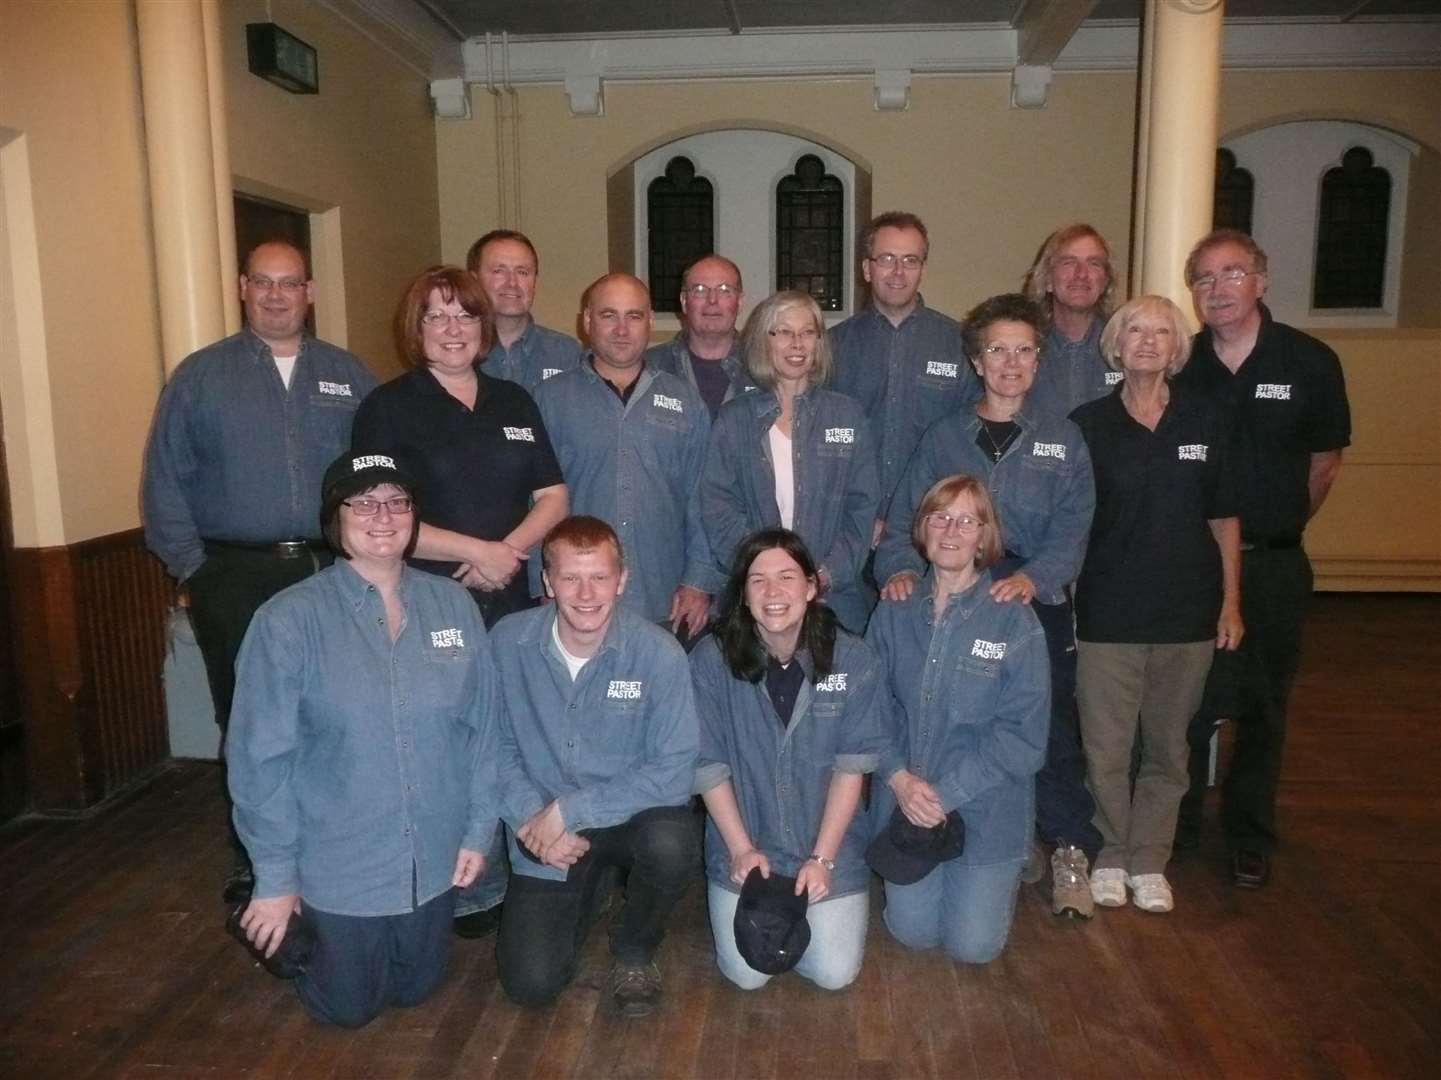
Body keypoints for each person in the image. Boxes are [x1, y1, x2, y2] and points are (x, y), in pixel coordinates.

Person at [227, 451, 498, 1028]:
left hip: (434, 856)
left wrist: (478, 831)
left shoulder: (453, 604)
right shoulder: (287, 620)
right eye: (365, 502)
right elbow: (259, 762)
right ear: (335, 518)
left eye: (398, 501)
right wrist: (275, 881)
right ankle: (292, 932)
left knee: (418, 989)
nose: (384, 515)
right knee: (346, 1010)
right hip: (340, 866)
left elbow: (485, 730)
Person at [142, 239, 377, 902]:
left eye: (290, 283)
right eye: (263, 283)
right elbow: (165, 481)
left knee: (338, 712)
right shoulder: (201, 376)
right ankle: (260, 857)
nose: (277, 295)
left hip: (332, 570)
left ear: (310, 292)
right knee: (252, 723)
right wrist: (197, 572)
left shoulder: (348, 374)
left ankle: (336, 842)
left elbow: (377, 471)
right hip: (234, 575)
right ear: (243, 288)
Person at [351, 265, 568, 940]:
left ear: (483, 327)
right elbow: (377, 513)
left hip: (512, 601)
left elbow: (553, 496)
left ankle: (522, 878)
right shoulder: (389, 407)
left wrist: (507, 552)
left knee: (515, 738)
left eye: (464, 316)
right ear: (416, 330)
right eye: (436, 317)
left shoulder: (513, 402)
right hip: (428, 602)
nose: (452, 330)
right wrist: (473, 552)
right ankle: (461, 886)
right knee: (443, 743)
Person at [874, 293, 1100, 919]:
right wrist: (896, 571)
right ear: (976, 360)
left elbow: (1074, 528)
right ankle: (956, 833)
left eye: (1023, 350)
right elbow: (902, 522)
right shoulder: (944, 434)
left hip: (1030, 593)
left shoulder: (1063, 439)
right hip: (948, 586)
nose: (1010, 362)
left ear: (1038, 360)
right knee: (940, 717)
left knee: (1047, 733)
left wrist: (1033, 578)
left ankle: (1067, 850)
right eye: (997, 349)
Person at [1175, 229, 1351, 889]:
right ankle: (1180, 825)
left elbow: (1324, 464)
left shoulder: (1308, 361)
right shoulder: (1183, 365)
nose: (1216, 290)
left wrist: (1274, 531)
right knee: (1187, 700)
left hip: (1274, 565)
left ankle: (1248, 834)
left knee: (1263, 705)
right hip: (1194, 567)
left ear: (1260, 280)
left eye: (1230, 274)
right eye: (1203, 278)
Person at [1069, 296, 1243, 913]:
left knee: (1170, 749)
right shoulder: (1085, 424)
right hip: (1108, 614)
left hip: (1188, 612)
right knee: (1107, 750)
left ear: (1177, 347)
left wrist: (1231, 603)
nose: (1147, 340)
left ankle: (1150, 861)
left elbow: (1224, 518)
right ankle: (1111, 855)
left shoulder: (1206, 420)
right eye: (1134, 330)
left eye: (1161, 331)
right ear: (1115, 345)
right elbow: (1074, 523)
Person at [491, 516, 700, 1017]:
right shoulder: (506, 643)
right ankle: (594, 888)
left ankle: (635, 948)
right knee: (530, 984)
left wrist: (570, 809)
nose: (586, 594)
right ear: (547, 581)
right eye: (570, 577)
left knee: (673, 843)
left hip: (630, 820)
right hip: (543, 827)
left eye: (600, 577)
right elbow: (491, 749)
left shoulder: (658, 654)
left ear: (622, 580)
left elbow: (674, 768)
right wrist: (533, 819)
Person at [691, 529, 887, 990]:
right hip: (746, 845)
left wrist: (823, 858)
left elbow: (851, 766)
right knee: (747, 975)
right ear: (741, 595)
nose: (773, 593)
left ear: (811, 586)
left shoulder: (851, 658)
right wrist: (740, 850)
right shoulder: (710, 660)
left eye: (786, 577)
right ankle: (778, 913)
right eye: (757, 580)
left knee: (833, 973)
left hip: (825, 847)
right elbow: (707, 765)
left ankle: (806, 915)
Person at [866, 474, 1049, 962]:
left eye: (967, 520)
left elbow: (1024, 738)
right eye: (940, 517)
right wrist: (900, 780)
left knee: (974, 948)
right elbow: (865, 709)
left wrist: (947, 795)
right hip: (908, 802)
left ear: (985, 536)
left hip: (984, 807)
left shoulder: (1013, 618)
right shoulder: (893, 610)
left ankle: (1003, 867)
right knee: (913, 933)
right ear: (922, 530)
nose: (951, 530)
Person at [536, 273, 717, 644]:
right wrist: (542, 585)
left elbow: (702, 497)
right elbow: (531, 499)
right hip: (577, 598)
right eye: (608, 315)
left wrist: (698, 580)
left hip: (663, 597)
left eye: (634, 316)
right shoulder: (548, 401)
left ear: (650, 322)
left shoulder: (685, 402)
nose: (622, 329)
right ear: (586, 321)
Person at [701, 291, 879, 633]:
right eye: (783, 332)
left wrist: (824, 577)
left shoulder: (846, 415)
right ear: (763, 341)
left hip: (834, 600)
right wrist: (765, 575)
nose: (797, 343)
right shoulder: (735, 419)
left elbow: (862, 509)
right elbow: (717, 507)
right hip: (757, 601)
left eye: (808, 332)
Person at [830, 211, 980, 528]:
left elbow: (972, 437)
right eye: (886, 258)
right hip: (850, 524)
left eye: (910, 260)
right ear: (867, 269)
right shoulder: (832, 347)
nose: (898, 272)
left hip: (933, 524)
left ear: (923, 269)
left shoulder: (960, 345)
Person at [1023, 223, 1123, 419]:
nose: (1081, 274)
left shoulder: (1127, 345)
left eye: (1094, 263)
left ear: (1105, 282)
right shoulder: (1023, 348)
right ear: (1048, 280)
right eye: (1069, 262)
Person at [467, 229, 582, 395]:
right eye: (499, 271)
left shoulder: (566, 353)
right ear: (474, 280)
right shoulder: (459, 351)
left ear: (534, 282)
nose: (512, 282)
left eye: (522, 272)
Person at [645, 253, 756, 419]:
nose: (712, 300)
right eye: (700, 290)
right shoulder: (649, 368)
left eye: (724, 290)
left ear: (739, 302)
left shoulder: (765, 367)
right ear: (684, 302)